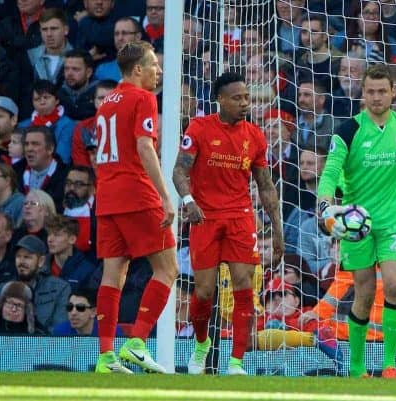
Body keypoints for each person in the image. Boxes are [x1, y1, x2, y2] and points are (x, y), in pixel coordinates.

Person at [317, 64, 396, 378]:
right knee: (363, 293)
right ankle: (356, 367)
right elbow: (330, 172)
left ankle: (390, 364)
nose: (376, 97)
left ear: (394, 93)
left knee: (394, 285)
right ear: (362, 94)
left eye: (382, 91)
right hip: (356, 225)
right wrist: (326, 207)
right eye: (370, 92)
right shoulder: (348, 130)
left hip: (393, 222)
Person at [172, 72, 284, 376]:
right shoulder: (199, 128)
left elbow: (266, 185)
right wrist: (188, 202)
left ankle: (236, 362)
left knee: (244, 284)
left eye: (246, 97)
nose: (245, 103)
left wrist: (277, 230)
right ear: (220, 99)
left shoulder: (255, 135)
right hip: (205, 217)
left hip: (239, 217)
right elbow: (179, 172)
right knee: (205, 291)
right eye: (237, 98)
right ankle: (201, 344)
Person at [94, 41, 178, 374]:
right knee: (168, 268)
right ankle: (138, 342)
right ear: (138, 69)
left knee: (112, 275)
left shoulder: (106, 103)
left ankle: (105, 357)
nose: (159, 71)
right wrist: (164, 195)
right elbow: (145, 147)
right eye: (154, 64)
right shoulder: (143, 98)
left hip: (107, 197)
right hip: (136, 193)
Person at [53, 289, 123, 336]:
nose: (73, 313)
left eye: (80, 308)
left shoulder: (110, 331)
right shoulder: (60, 332)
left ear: (93, 312)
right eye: (70, 307)